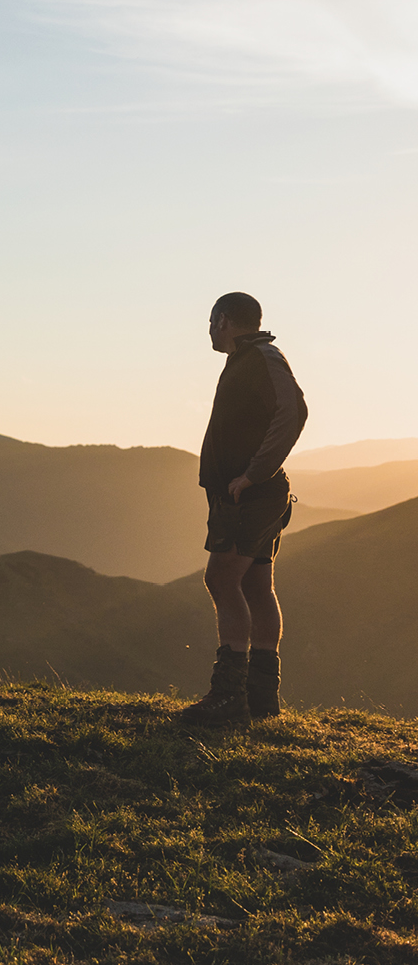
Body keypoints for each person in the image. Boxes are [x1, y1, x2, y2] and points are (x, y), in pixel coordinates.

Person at [180, 291, 308, 727]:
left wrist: (253, 474)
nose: (209, 330)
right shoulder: (247, 360)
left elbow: (292, 412)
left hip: (251, 497)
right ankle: (260, 697)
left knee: (219, 579)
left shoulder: (263, 357)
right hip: (250, 496)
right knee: (254, 585)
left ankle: (229, 698)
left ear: (226, 320)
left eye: (212, 321)